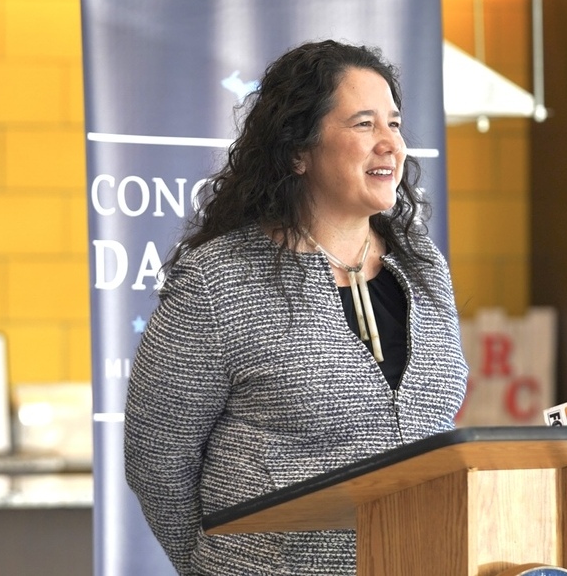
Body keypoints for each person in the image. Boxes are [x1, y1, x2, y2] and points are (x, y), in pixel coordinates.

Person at [124, 39, 468, 574]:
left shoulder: (422, 264)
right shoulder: (218, 281)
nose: (390, 145)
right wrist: (217, 565)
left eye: (394, 124)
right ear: (297, 151)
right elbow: (156, 459)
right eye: (363, 124)